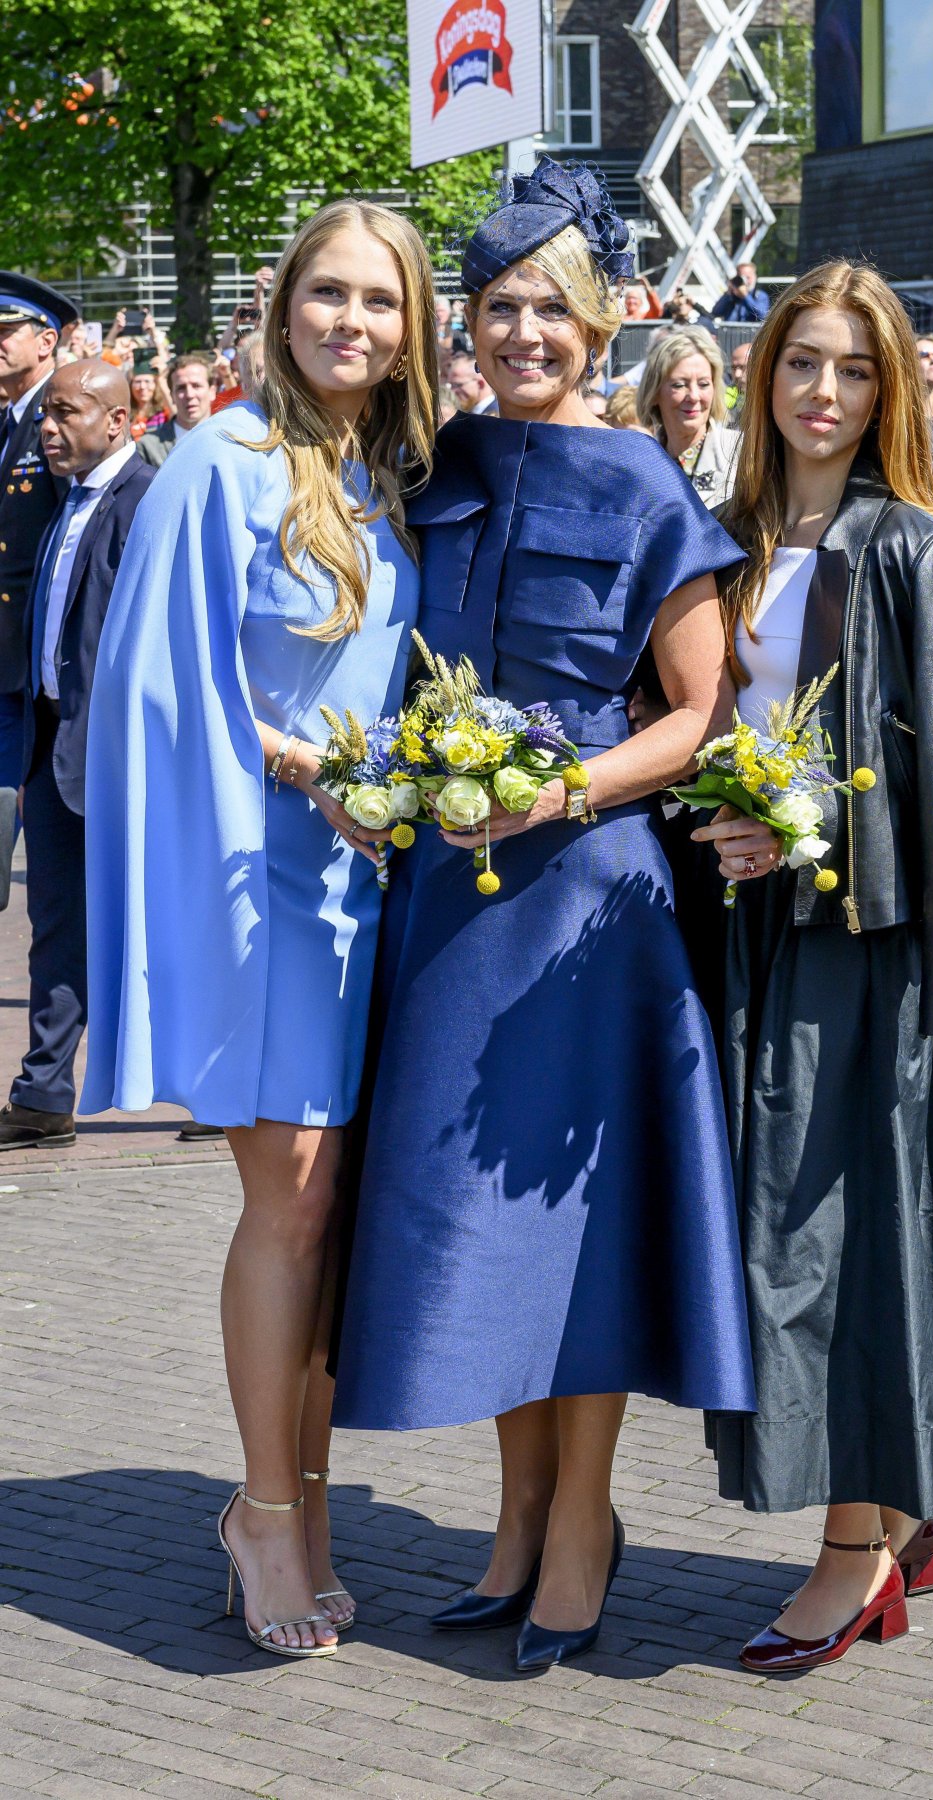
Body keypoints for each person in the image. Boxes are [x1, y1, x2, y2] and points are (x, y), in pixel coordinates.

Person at [330, 157, 755, 1673]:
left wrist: (563, 791)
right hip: (452, 901)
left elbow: (700, 718)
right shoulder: (437, 468)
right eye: (499, 308)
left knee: (576, 1235)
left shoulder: (646, 482)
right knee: (482, 1228)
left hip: (587, 906)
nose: (521, 335)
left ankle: (581, 1526)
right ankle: (513, 1522)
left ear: (600, 325)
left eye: (549, 312)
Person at [80, 198, 438, 1656]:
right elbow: (161, 695)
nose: (352, 322)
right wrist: (312, 774)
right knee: (286, 1199)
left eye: (381, 301)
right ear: (284, 304)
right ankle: (265, 1518)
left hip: (376, 877)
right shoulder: (217, 463)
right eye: (329, 295)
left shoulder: (398, 468)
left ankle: (310, 1497)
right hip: (266, 874)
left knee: (339, 1209)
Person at [693, 259, 933, 1676]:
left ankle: (858, 1553)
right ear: (764, 375)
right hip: (754, 940)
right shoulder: (737, 536)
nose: (821, 392)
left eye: (852, 370)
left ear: (890, 389)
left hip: (867, 951)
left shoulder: (915, 548)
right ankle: (906, 1506)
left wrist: (825, 855)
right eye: (799, 363)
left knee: (838, 1251)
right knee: (790, 1237)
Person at [0, 362, 155, 1153]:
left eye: (65, 414)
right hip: (55, 751)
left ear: (119, 421)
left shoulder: (145, 505)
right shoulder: (67, 499)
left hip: (125, 760)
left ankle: (209, 1093)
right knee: (56, 926)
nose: (47, 429)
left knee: (160, 925)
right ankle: (42, 1094)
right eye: (44, 415)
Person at [0, 275, 77, 801]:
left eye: (6, 330)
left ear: (46, 340)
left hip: (39, 667)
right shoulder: (10, 420)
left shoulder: (62, 415)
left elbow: (80, 534)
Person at [637, 326, 740, 507]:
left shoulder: (742, 453)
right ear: (654, 393)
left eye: (703, 384)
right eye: (679, 385)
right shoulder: (641, 465)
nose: (693, 396)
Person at [138, 355, 217, 464]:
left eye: (196, 386)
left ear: (212, 392)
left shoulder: (231, 439)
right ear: (172, 396)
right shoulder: (148, 446)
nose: (189, 395)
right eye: (181, 388)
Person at [445, 350, 496, 415]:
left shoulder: (498, 416)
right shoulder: (466, 416)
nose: (452, 391)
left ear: (480, 384)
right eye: (451, 385)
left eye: (457, 385)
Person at [727, 338, 752, 421]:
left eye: (743, 367)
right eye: (734, 368)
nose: (737, 374)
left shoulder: (773, 399)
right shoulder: (729, 392)